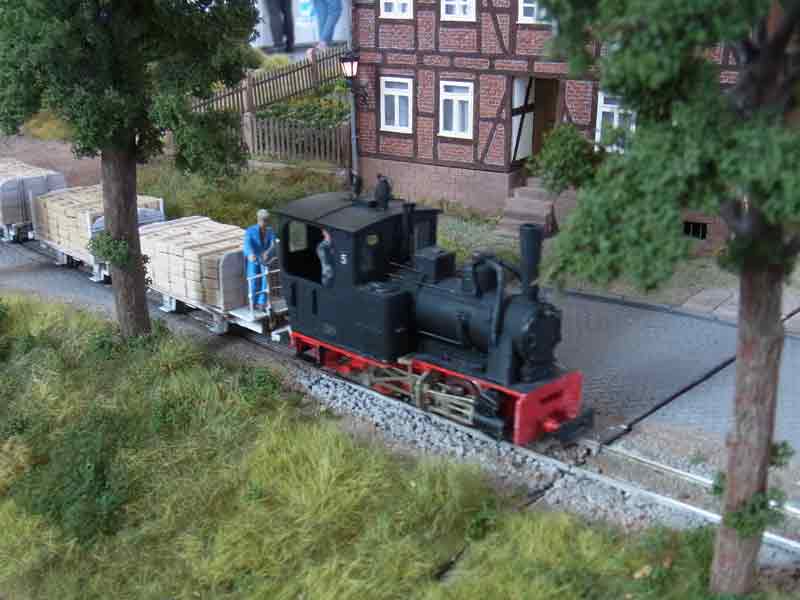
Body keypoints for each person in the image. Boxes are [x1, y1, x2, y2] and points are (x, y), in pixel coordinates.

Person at [243, 209, 276, 309]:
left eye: (266, 220)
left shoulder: (270, 231)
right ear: (258, 220)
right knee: (253, 280)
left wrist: (268, 252)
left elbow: (273, 244)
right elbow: (247, 244)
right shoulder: (250, 231)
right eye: (263, 220)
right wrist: (250, 254)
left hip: (264, 260)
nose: (265, 223)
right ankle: (252, 302)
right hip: (254, 259)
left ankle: (261, 302)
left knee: (265, 280)